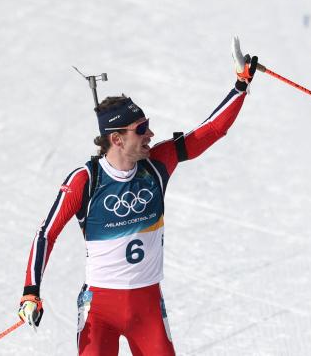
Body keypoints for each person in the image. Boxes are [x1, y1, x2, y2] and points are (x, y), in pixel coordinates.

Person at [18, 38, 258, 355]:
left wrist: (240, 85)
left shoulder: (157, 166)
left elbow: (211, 130)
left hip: (147, 309)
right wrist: (30, 292)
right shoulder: (85, 180)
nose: (151, 134)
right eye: (141, 128)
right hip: (100, 312)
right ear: (116, 139)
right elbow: (46, 233)